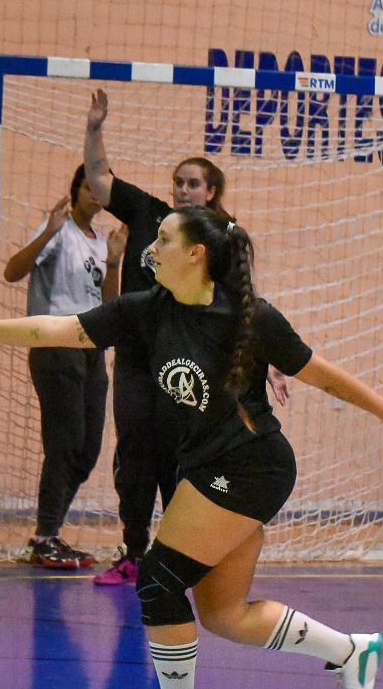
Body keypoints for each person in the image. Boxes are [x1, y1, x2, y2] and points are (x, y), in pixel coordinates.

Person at [0, 205, 383, 689]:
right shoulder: (147, 310)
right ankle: (350, 650)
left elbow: (323, 374)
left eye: (164, 239)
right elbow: (58, 328)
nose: (152, 246)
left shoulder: (252, 319)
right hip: (211, 467)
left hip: (251, 466)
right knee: (224, 615)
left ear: (196, 254)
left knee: (159, 577)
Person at [81, 90, 290, 587]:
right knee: (134, 453)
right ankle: (133, 551)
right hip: (138, 358)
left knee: (186, 455)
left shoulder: (221, 236)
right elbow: (97, 180)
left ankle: (181, 552)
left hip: (196, 363)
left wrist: (275, 359)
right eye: (178, 182)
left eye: (192, 183)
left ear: (212, 191)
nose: (181, 190)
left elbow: (247, 304)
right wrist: (93, 128)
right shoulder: (151, 213)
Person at [0, 165, 123, 568]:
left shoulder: (102, 241)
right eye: (88, 188)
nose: (95, 196)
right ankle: (45, 536)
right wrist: (49, 231)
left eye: (100, 190)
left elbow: (108, 305)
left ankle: (48, 534)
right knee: (64, 443)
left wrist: (115, 263)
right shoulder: (58, 229)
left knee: (88, 450)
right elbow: (13, 271)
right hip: (56, 343)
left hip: (91, 348)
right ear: (75, 191)